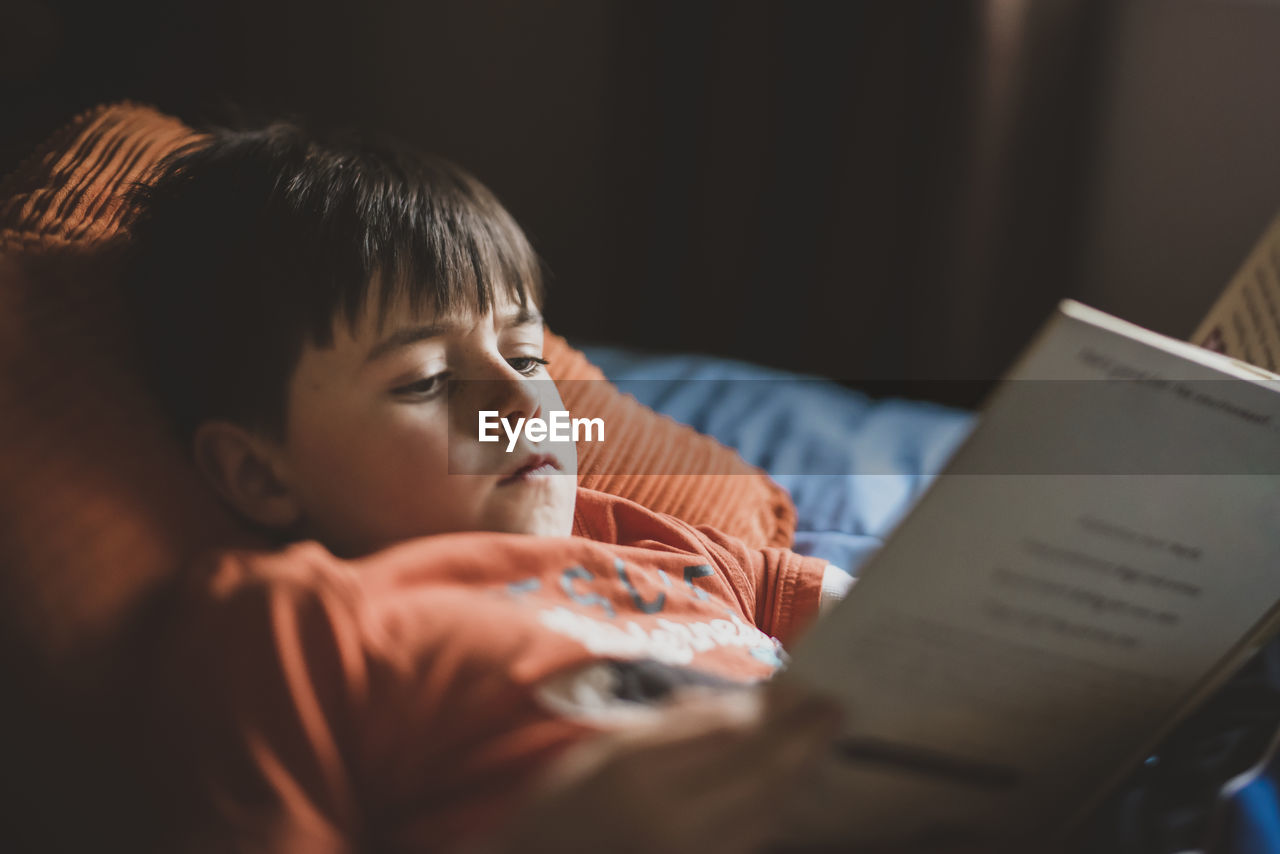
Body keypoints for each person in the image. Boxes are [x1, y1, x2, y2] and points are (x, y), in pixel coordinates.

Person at [123, 121, 856, 854]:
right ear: (258, 474)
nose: (521, 403)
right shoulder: (298, 626)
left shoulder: (650, 542)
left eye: (527, 357)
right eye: (428, 381)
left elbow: (889, 609)